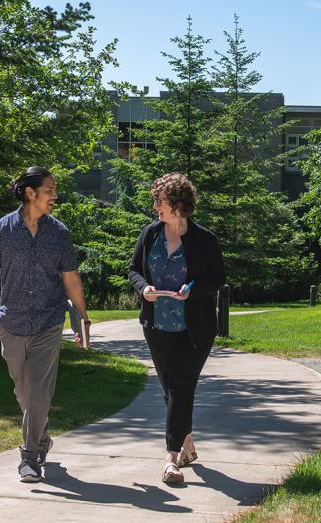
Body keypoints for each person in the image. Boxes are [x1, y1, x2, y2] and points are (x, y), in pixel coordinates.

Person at [0, 166, 91, 483]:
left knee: (39, 391)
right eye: (50, 190)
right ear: (31, 193)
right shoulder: (1, 230)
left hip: (48, 321)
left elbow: (71, 279)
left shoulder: (59, 233)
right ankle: (41, 437)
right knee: (24, 393)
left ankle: (29, 458)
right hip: (11, 321)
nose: (55, 196)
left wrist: (83, 317)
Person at [128, 172, 225, 484]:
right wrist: (143, 288)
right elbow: (133, 270)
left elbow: (218, 278)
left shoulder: (205, 240)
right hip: (157, 324)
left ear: (179, 205)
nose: (156, 207)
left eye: (161, 201)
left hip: (195, 327)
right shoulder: (150, 234)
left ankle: (170, 460)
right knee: (170, 389)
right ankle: (186, 442)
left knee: (181, 385)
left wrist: (191, 289)